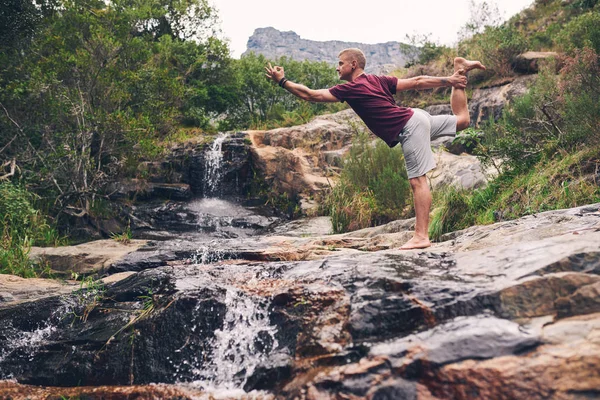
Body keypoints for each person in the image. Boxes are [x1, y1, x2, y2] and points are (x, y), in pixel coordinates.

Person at [265, 48, 485, 250]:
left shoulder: (350, 88)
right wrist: (451, 79)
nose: (337, 67)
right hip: (417, 117)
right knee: (462, 120)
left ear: (353, 64)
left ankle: (421, 236)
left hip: (409, 126)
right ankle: (461, 67)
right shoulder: (379, 80)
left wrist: (282, 81)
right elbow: (417, 82)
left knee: (418, 180)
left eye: (340, 63)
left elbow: (310, 95)